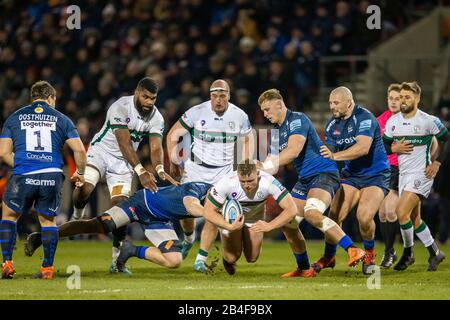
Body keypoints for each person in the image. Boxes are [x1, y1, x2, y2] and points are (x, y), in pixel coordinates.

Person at [71, 77, 178, 274]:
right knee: (84, 189)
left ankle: (115, 260)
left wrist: (160, 169)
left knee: (121, 210)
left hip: (123, 164)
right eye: (145, 97)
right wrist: (141, 171)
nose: (148, 102)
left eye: (153, 98)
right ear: (137, 92)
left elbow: (155, 147)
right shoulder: (120, 107)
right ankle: (77, 214)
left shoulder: (157, 118)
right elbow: (124, 143)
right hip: (101, 153)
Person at [257, 89, 365, 276]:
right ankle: (304, 268)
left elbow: (293, 151)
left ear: (279, 104)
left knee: (312, 214)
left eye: (267, 109)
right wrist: (258, 166)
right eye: (263, 111)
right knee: (288, 223)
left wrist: (266, 166)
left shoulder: (297, 120)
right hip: (305, 179)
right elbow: (275, 160)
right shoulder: (277, 130)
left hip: (323, 174)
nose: (265, 114)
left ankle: (353, 249)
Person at [25, 182, 245, 271]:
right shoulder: (198, 190)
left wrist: (188, 239)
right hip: (141, 203)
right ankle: (42, 236)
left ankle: (131, 250)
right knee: (101, 225)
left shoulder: (210, 200)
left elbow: (188, 215)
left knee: (175, 261)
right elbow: (193, 208)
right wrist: (228, 224)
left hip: (159, 221)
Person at [0, 80, 86, 279]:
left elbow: (3, 152)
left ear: (33, 97)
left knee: (9, 215)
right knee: (48, 221)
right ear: (51, 98)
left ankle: (7, 264)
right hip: (51, 174)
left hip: (23, 174)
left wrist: (24, 165)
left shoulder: (14, 117)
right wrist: (80, 173)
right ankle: (47, 269)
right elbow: (80, 150)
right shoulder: (62, 119)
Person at [166, 79, 253, 272]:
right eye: (215, 96)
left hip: (223, 172)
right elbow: (173, 134)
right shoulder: (197, 112)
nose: (218, 100)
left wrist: (243, 165)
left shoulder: (240, 116)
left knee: (213, 212)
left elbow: (248, 141)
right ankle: (189, 238)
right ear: (210, 96)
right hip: (195, 169)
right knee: (186, 211)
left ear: (229, 96)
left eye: (222, 95)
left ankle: (200, 259)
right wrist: (174, 160)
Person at [317, 86, 390, 275]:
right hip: (352, 175)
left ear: (349, 102)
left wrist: (335, 156)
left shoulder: (364, 118)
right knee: (334, 216)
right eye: (330, 103)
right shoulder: (333, 124)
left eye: (336, 103)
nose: (332, 107)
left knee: (364, 218)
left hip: (376, 174)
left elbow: (362, 148)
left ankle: (370, 254)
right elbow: (328, 154)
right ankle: (329, 256)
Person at [204, 160, 313, 275]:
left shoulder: (269, 182)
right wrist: (228, 225)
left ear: (258, 175)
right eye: (243, 181)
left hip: (254, 217)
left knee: (252, 258)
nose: (247, 185)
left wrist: (270, 225)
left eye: (250, 181)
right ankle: (228, 260)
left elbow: (291, 209)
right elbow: (207, 211)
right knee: (232, 257)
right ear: (237, 176)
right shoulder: (226, 182)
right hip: (232, 219)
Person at [383, 81, 449, 271]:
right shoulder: (393, 122)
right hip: (403, 175)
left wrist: (437, 162)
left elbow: (447, 139)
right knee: (414, 219)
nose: (403, 101)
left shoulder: (428, 120)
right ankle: (435, 253)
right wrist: (393, 148)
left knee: (400, 212)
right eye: (401, 97)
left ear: (417, 99)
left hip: (422, 174)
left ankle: (407, 253)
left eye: (407, 97)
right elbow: (385, 145)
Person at [376, 83, 401, 268]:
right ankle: (392, 251)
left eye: (397, 98)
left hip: (401, 169)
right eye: (390, 98)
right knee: (382, 214)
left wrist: (431, 161)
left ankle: (389, 253)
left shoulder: (409, 120)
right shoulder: (379, 121)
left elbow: (432, 141)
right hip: (382, 170)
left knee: (391, 211)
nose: (393, 102)